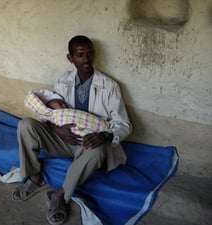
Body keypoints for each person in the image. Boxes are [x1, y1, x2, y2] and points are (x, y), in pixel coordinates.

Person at [12, 35, 132, 225]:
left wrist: (104, 135)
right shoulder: (63, 81)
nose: (86, 59)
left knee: (98, 152)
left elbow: (123, 124)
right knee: (25, 125)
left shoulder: (109, 86)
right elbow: (50, 113)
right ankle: (35, 177)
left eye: (89, 53)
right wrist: (56, 129)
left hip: (87, 144)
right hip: (62, 139)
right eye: (80, 55)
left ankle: (60, 195)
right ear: (70, 58)